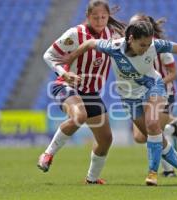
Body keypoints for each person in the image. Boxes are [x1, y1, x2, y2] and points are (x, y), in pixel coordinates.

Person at [60, 19, 177, 186]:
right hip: (128, 97)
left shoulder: (155, 45)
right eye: (142, 45)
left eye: (148, 44)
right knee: (153, 137)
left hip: (153, 87)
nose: (146, 49)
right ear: (131, 39)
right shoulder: (113, 47)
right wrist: (71, 58)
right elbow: (90, 43)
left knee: (152, 124)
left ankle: (152, 173)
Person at [37, 0, 126, 184]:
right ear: (87, 16)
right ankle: (47, 154)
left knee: (106, 139)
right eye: (95, 17)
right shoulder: (75, 34)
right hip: (66, 85)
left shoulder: (113, 34)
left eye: (103, 17)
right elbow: (48, 55)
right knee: (80, 116)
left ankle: (91, 180)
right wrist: (64, 73)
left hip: (91, 93)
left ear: (108, 17)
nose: (100, 21)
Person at [129, 14, 177, 178]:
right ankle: (171, 127)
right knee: (140, 137)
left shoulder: (160, 47)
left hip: (163, 94)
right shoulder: (130, 47)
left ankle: (167, 170)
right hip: (141, 96)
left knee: (152, 133)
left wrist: (156, 84)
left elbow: (174, 73)